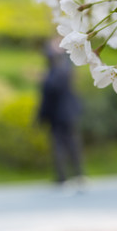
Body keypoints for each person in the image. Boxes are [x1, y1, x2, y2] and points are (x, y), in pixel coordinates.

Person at [37, 38, 84, 188]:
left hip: (59, 114)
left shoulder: (55, 72)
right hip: (67, 112)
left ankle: (67, 176)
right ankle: (75, 175)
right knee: (70, 144)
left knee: (62, 145)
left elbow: (50, 93)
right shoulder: (64, 68)